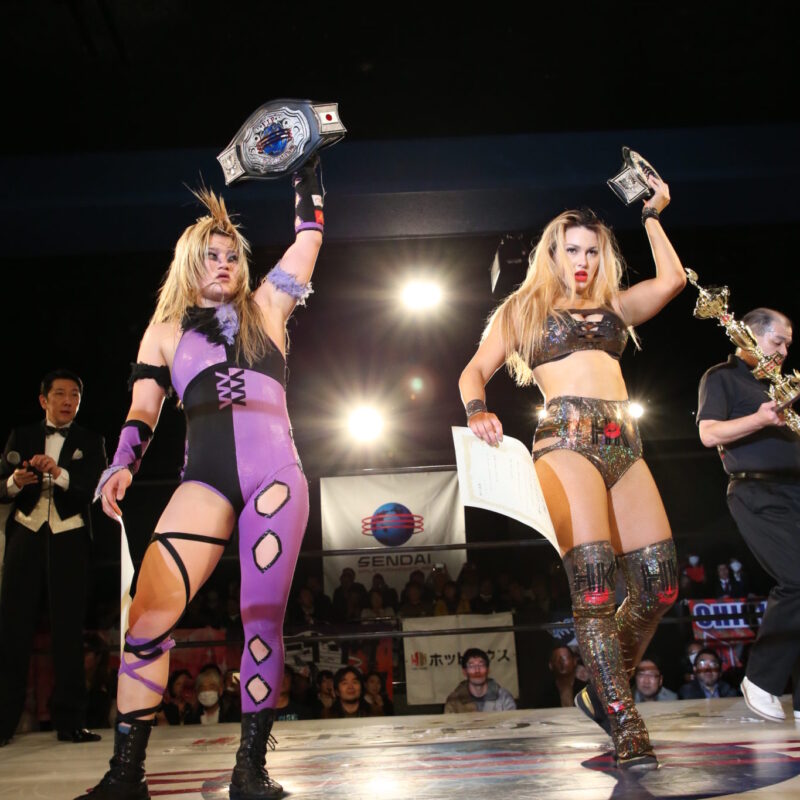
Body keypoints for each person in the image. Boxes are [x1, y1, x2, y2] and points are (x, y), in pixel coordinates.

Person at [79, 156, 325, 800]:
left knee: (261, 616)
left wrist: (306, 171)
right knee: (145, 619)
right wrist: (122, 463)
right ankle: (125, 774)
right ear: (190, 263)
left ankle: (251, 768)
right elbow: (142, 410)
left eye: (232, 256)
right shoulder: (163, 332)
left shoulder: (268, 306)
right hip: (205, 480)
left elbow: (309, 238)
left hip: (276, 477)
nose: (224, 264)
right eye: (211, 255)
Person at [459, 178, 685, 769]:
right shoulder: (523, 309)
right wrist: (478, 410)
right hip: (564, 440)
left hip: (623, 440)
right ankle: (623, 717)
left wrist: (652, 215)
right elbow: (473, 370)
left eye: (592, 250)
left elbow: (672, 282)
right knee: (596, 585)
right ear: (553, 254)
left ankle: (601, 689)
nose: (582, 261)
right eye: (572, 250)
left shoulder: (615, 307)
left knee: (660, 583)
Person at [697, 307, 800, 722]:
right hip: (757, 491)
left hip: (795, 490)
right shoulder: (723, 377)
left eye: (788, 345)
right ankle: (760, 680)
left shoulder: (780, 385)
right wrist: (760, 418)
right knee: (797, 579)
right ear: (752, 336)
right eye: (778, 342)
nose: (785, 351)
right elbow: (708, 434)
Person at [0, 368, 107, 746]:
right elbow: (2, 485)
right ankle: (4, 723)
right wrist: (16, 482)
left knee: (69, 631)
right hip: (25, 534)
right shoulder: (22, 435)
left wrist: (59, 472)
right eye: (60, 394)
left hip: (69, 538)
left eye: (74, 395)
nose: (68, 401)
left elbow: (93, 489)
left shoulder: (91, 440)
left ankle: (71, 722)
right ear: (43, 400)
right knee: (12, 630)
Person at [444, 647, 516, 713]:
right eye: (471, 666)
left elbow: (512, 720)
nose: (477, 670)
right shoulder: (454, 700)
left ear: (488, 670)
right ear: (464, 672)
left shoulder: (503, 697)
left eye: (481, 665)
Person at [536, 644, 586, 709]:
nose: (561, 661)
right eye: (556, 659)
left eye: (565, 658)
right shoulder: (545, 694)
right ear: (551, 665)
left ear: (574, 661)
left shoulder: (585, 690)